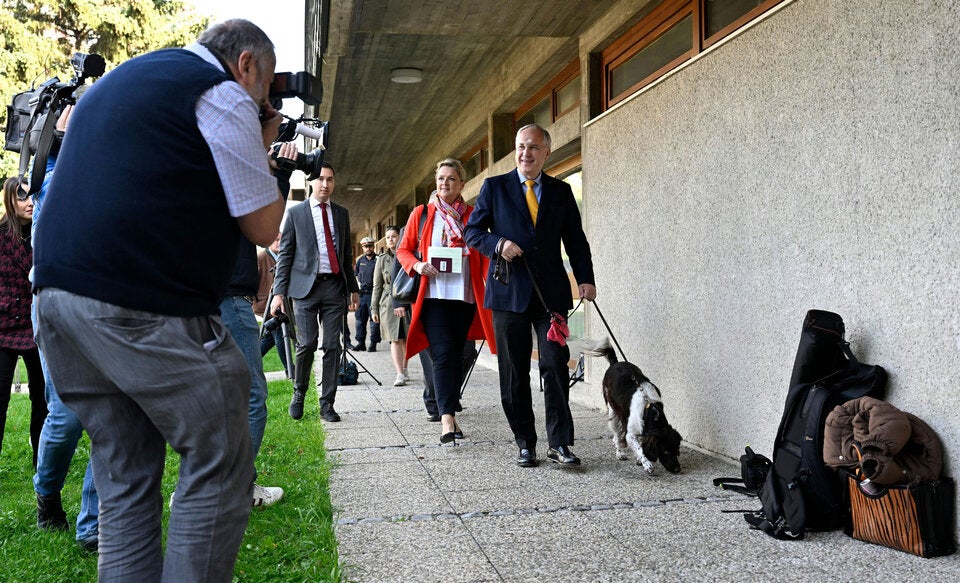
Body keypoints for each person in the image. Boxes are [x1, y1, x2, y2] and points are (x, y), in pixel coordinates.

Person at [32, 19, 286, 581]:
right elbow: (264, 225)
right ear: (245, 63)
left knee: (125, 479)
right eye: (265, 88)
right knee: (222, 452)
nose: (264, 102)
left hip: (57, 302)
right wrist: (262, 143)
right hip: (134, 304)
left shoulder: (127, 77)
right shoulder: (222, 93)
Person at [464, 123, 597, 468]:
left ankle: (560, 443)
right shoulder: (495, 187)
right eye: (521, 146)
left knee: (554, 363)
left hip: (551, 296)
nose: (526, 153)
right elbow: (473, 232)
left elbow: (576, 242)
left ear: (546, 152)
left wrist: (585, 279)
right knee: (514, 372)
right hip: (508, 294)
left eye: (533, 147)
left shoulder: (561, 191)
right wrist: (499, 244)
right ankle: (525, 442)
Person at [29, 101, 100, 553]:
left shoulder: (105, 172)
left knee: (111, 417)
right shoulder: (48, 179)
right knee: (69, 415)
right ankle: (45, 490)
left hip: (105, 307)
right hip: (56, 305)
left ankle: (93, 524)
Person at [218, 142, 298, 509]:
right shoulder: (230, 176)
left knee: (210, 400)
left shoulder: (198, 171)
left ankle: (203, 486)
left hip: (200, 301)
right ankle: (240, 488)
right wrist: (280, 172)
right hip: (230, 300)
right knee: (252, 397)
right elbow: (263, 224)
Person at [396, 158, 496, 444]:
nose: (444, 183)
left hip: (465, 297)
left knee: (459, 356)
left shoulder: (474, 215)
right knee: (442, 355)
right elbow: (403, 250)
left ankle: (447, 405)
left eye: (451, 179)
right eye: (440, 178)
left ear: (462, 184)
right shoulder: (423, 213)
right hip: (434, 297)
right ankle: (447, 418)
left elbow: (484, 251)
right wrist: (417, 266)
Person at [270, 162, 360, 423]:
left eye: (330, 179)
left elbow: (345, 254)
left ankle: (327, 404)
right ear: (311, 182)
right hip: (304, 290)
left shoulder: (341, 214)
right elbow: (285, 254)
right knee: (306, 344)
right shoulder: (296, 213)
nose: (325, 184)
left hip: (334, 287)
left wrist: (352, 288)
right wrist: (278, 293)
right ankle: (299, 392)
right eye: (320, 179)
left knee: (333, 346)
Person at [0, 178, 46, 468]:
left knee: (43, 401)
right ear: (9, 201)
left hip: (37, 325)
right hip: (3, 328)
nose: (30, 203)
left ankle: (42, 462)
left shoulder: (44, 233)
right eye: (22, 198)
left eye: (33, 197)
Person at [370, 226, 410, 387]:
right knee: (394, 339)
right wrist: (374, 308)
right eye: (388, 237)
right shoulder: (381, 259)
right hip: (387, 303)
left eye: (394, 236)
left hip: (407, 301)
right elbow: (377, 286)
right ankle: (399, 373)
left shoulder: (408, 254)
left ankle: (405, 369)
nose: (391, 239)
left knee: (406, 339)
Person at [256, 231, 288, 373]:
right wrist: (254, 302)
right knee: (280, 332)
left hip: (283, 305)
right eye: (276, 239)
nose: (279, 242)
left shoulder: (285, 257)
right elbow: (250, 282)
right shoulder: (260, 257)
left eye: (282, 239)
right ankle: (291, 371)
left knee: (269, 338)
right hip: (265, 304)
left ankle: (247, 365)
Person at [352, 236, 381, 352]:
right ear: (363, 248)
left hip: (374, 294)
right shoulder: (360, 261)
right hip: (362, 294)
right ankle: (361, 343)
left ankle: (373, 343)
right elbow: (356, 277)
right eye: (365, 247)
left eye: (370, 246)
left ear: (373, 246)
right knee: (359, 320)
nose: (368, 248)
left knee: (374, 320)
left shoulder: (379, 259)